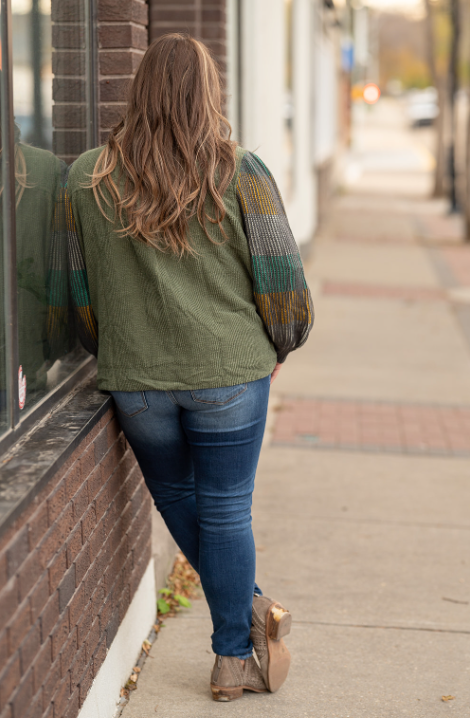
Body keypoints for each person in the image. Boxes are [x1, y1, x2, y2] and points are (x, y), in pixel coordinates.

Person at [66, 33, 313, 702]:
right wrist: (280, 345)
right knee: (227, 510)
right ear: (208, 93)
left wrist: (115, 349)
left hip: (138, 382)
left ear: (138, 89)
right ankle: (234, 651)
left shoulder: (88, 177)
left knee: (180, 500)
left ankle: (252, 613)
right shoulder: (241, 172)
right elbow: (282, 276)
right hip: (230, 372)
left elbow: (79, 293)